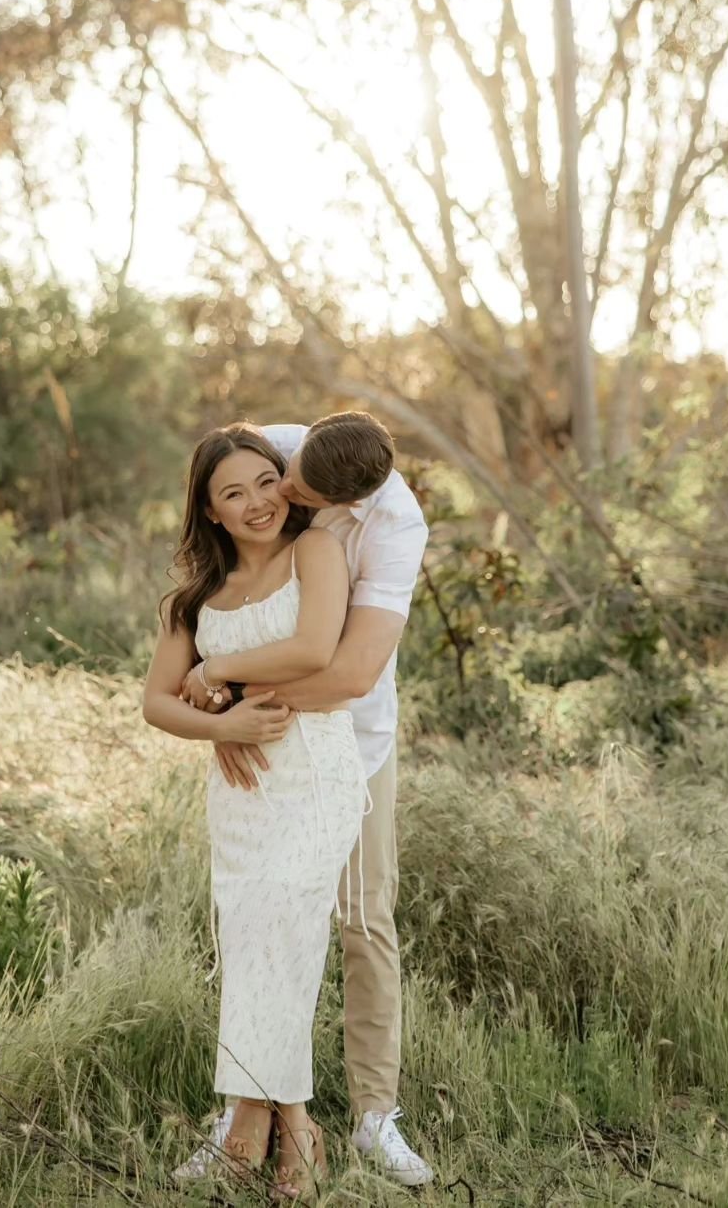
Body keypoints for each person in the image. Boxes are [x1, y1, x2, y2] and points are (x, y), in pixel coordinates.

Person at [176, 410, 434, 1189]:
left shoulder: (393, 526)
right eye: (283, 474)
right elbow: (214, 550)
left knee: (361, 916)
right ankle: (248, 1108)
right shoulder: (278, 450)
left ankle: (374, 1115)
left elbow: (351, 673)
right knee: (255, 917)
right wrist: (223, 718)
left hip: (351, 738)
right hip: (258, 732)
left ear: (349, 501)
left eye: (301, 493)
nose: (281, 495)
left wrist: (231, 688)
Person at [143, 422, 370, 1201]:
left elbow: (314, 649)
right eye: (231, 494)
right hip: (241, 790)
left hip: (316, 775)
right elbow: (154, 703)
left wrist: (218, 669)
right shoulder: (195, 598)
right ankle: (266, 1119)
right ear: (210, 512)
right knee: (251, 941)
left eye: (264, 482)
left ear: (285, 479)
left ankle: (276, 1123)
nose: (256, 502)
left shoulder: (316, 550)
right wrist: (220, 726)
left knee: (284, 924)